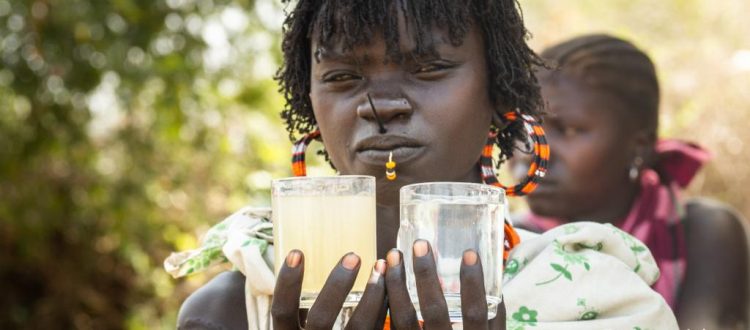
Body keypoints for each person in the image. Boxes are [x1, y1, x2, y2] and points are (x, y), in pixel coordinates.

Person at [166, 3, 678, 329]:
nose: (381, 104)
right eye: (343, 76)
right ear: (312, 106)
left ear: (498, 94)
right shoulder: (232, 312)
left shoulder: (596, 300)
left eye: (429, 68)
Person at [513, 34, 749, 329]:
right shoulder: (514, 244)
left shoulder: (702, 233)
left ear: (638, 146)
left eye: (569, 130)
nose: (533, 152)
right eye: (525, 129)